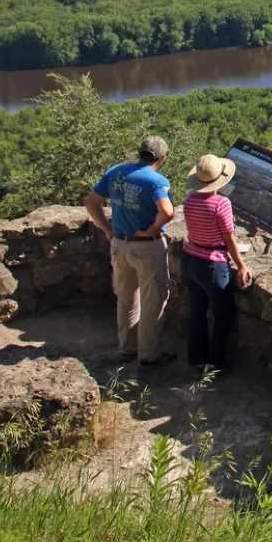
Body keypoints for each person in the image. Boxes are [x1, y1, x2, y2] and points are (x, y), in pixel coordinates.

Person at [84, 135, 175, 368]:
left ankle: (127, 348)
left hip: (120, 244)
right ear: (162, 158)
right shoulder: (156, 181)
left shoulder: (117, 171)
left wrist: (107, 229)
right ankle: (148, 355)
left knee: (125, 299)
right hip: (146, 247)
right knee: (153, 301)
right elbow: (167, 211)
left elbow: (91, 202)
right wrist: (153, 229)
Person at [180, 152, 252, 372]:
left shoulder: (189, 200)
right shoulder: (221, 203)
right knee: (222, 315)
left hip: (191, 259)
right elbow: (229, 238)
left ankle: (196, 360)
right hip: (213, 264)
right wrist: (242, 266)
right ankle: (215, 364)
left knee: (197, 312)